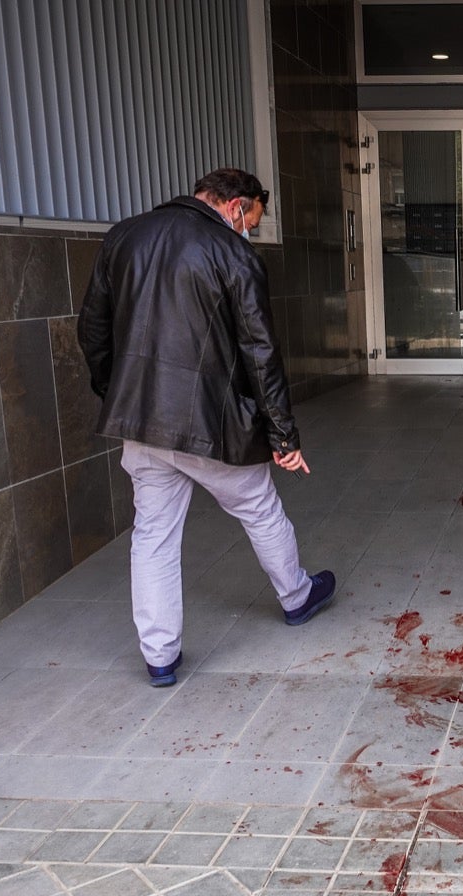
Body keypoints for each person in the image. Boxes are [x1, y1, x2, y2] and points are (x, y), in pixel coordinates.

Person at [78, 167, 335, 687]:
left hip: (143, 422)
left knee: (152, 535)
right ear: (238, 205)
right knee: (259, 507)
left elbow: (93, 329)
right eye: (254, 220)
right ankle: (296, 596)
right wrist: (283, 436)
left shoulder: (124, 236)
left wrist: (120, 393)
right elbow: (260, 352)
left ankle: (160, 657)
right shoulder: (234, 254)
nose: (251, 231)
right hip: (211, 421)